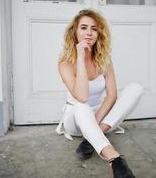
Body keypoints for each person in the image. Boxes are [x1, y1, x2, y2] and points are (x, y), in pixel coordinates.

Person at [56, 9, 143, 178]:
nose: (89, 32)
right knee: (82, 104)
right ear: (74, 32)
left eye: (94, 28)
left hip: (100, 117)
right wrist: (80, 57)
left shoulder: (104, 58)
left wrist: (96, 124)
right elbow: (81, 97)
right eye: (83, 27)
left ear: (99, 33)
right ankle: (114, 158)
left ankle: (94, 136)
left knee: (135, 88)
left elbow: (112, 95)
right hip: (75, 119)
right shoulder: (65, 63)